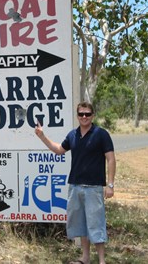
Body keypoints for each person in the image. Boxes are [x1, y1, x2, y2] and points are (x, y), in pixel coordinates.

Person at [34, 102, 116, 264]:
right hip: (75, 186)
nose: (84, 117)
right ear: (77, 116)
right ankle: (85, 259)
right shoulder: (73, 135)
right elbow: (59, 149)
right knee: (81, 225)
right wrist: (42, 136)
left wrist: (110, 185)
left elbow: (111, 159)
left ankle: (101, 260)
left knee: (96, 224)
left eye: (87, 114)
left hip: (93, 187)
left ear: (93, 115)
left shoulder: (101, 134)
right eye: (81, 114)